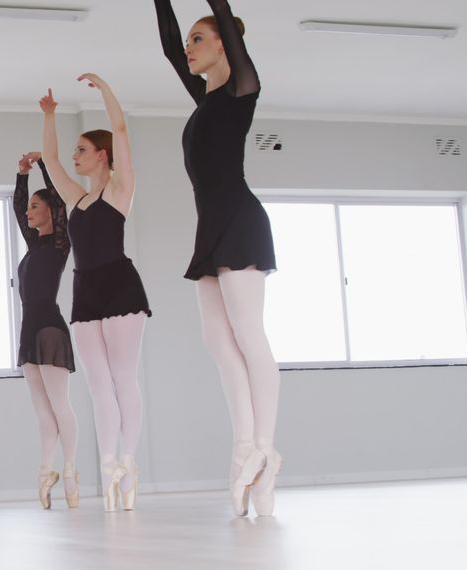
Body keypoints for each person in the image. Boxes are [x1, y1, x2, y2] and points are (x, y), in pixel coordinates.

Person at [153, 0, 282, 516]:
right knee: (217, 339)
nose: (188, 47)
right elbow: (167, 49)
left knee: (250, 335)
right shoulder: (204, 100)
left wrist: (215, 10)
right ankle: (246, 446)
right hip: (211, 225)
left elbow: (226, 19)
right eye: (190, 40)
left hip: (240, 218)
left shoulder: (241, 88)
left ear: (225, 45)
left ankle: (265, 451)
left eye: (198, 39)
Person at [39, 74, 152, 511]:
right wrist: (49, 116)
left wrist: (105, 90)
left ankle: (128, 463)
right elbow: (49, 156)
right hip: (84, 291)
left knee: (124, 379)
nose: (74, 157)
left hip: (120, 287)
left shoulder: (121, 189)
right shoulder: (75, 198)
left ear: (102, 155)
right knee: (98, 385)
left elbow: (121, 130)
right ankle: (108, 467)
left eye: (82, 150)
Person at [12, 151, 80, 509]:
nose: (28, 212)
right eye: (29, 207)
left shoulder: (60, 242)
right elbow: (17, 206)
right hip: (28, 331)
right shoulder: (35, 244)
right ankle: (46, 469)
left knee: (60, 405)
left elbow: (60, 198)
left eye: (36, 207)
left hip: (50, 329)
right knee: (42, 410)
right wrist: (21, 176)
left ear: (50, 210)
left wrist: (40, 166)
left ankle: (70, 470)